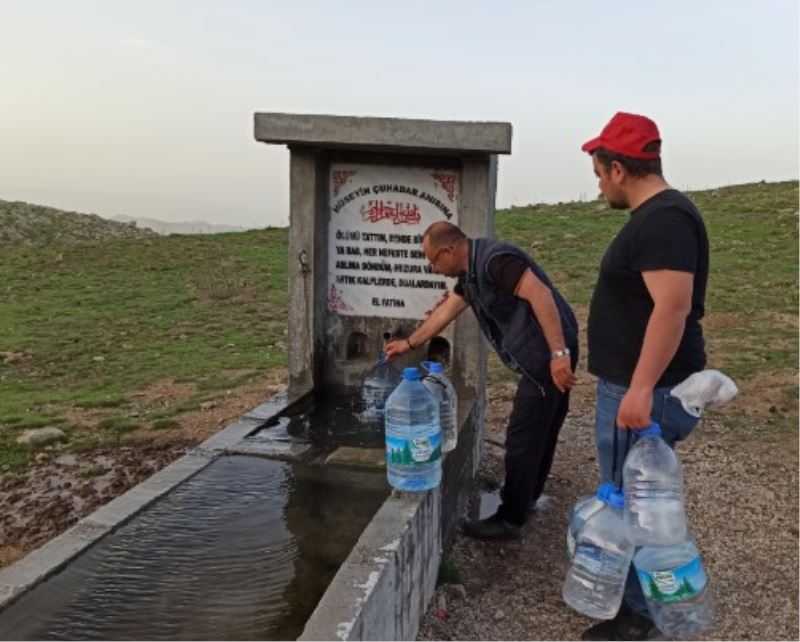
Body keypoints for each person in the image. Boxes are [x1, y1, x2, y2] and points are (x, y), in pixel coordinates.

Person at [579, 112, 710, 641]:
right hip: (637, 385)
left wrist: (637, 388)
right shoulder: (659, 218)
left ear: (617, 169)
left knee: (634, 502)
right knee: (629, 497)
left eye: (598, 173)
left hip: (645, 390)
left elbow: (672, 308)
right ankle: (637, 608)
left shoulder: (663, 220)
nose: (598, 185)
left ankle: (637, 620)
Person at [385, 222, 579, 540]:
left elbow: (540, 294)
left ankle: (509, 520)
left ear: (449, 250)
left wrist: (558, 354)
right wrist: (409, 344)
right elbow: (447, 311)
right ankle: (527, 496)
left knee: (522, 437)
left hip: (544, 356)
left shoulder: (495, 261)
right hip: (545, 353)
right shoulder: (470, 276)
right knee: (544, 427)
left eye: (433, 260)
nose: (433, 268)